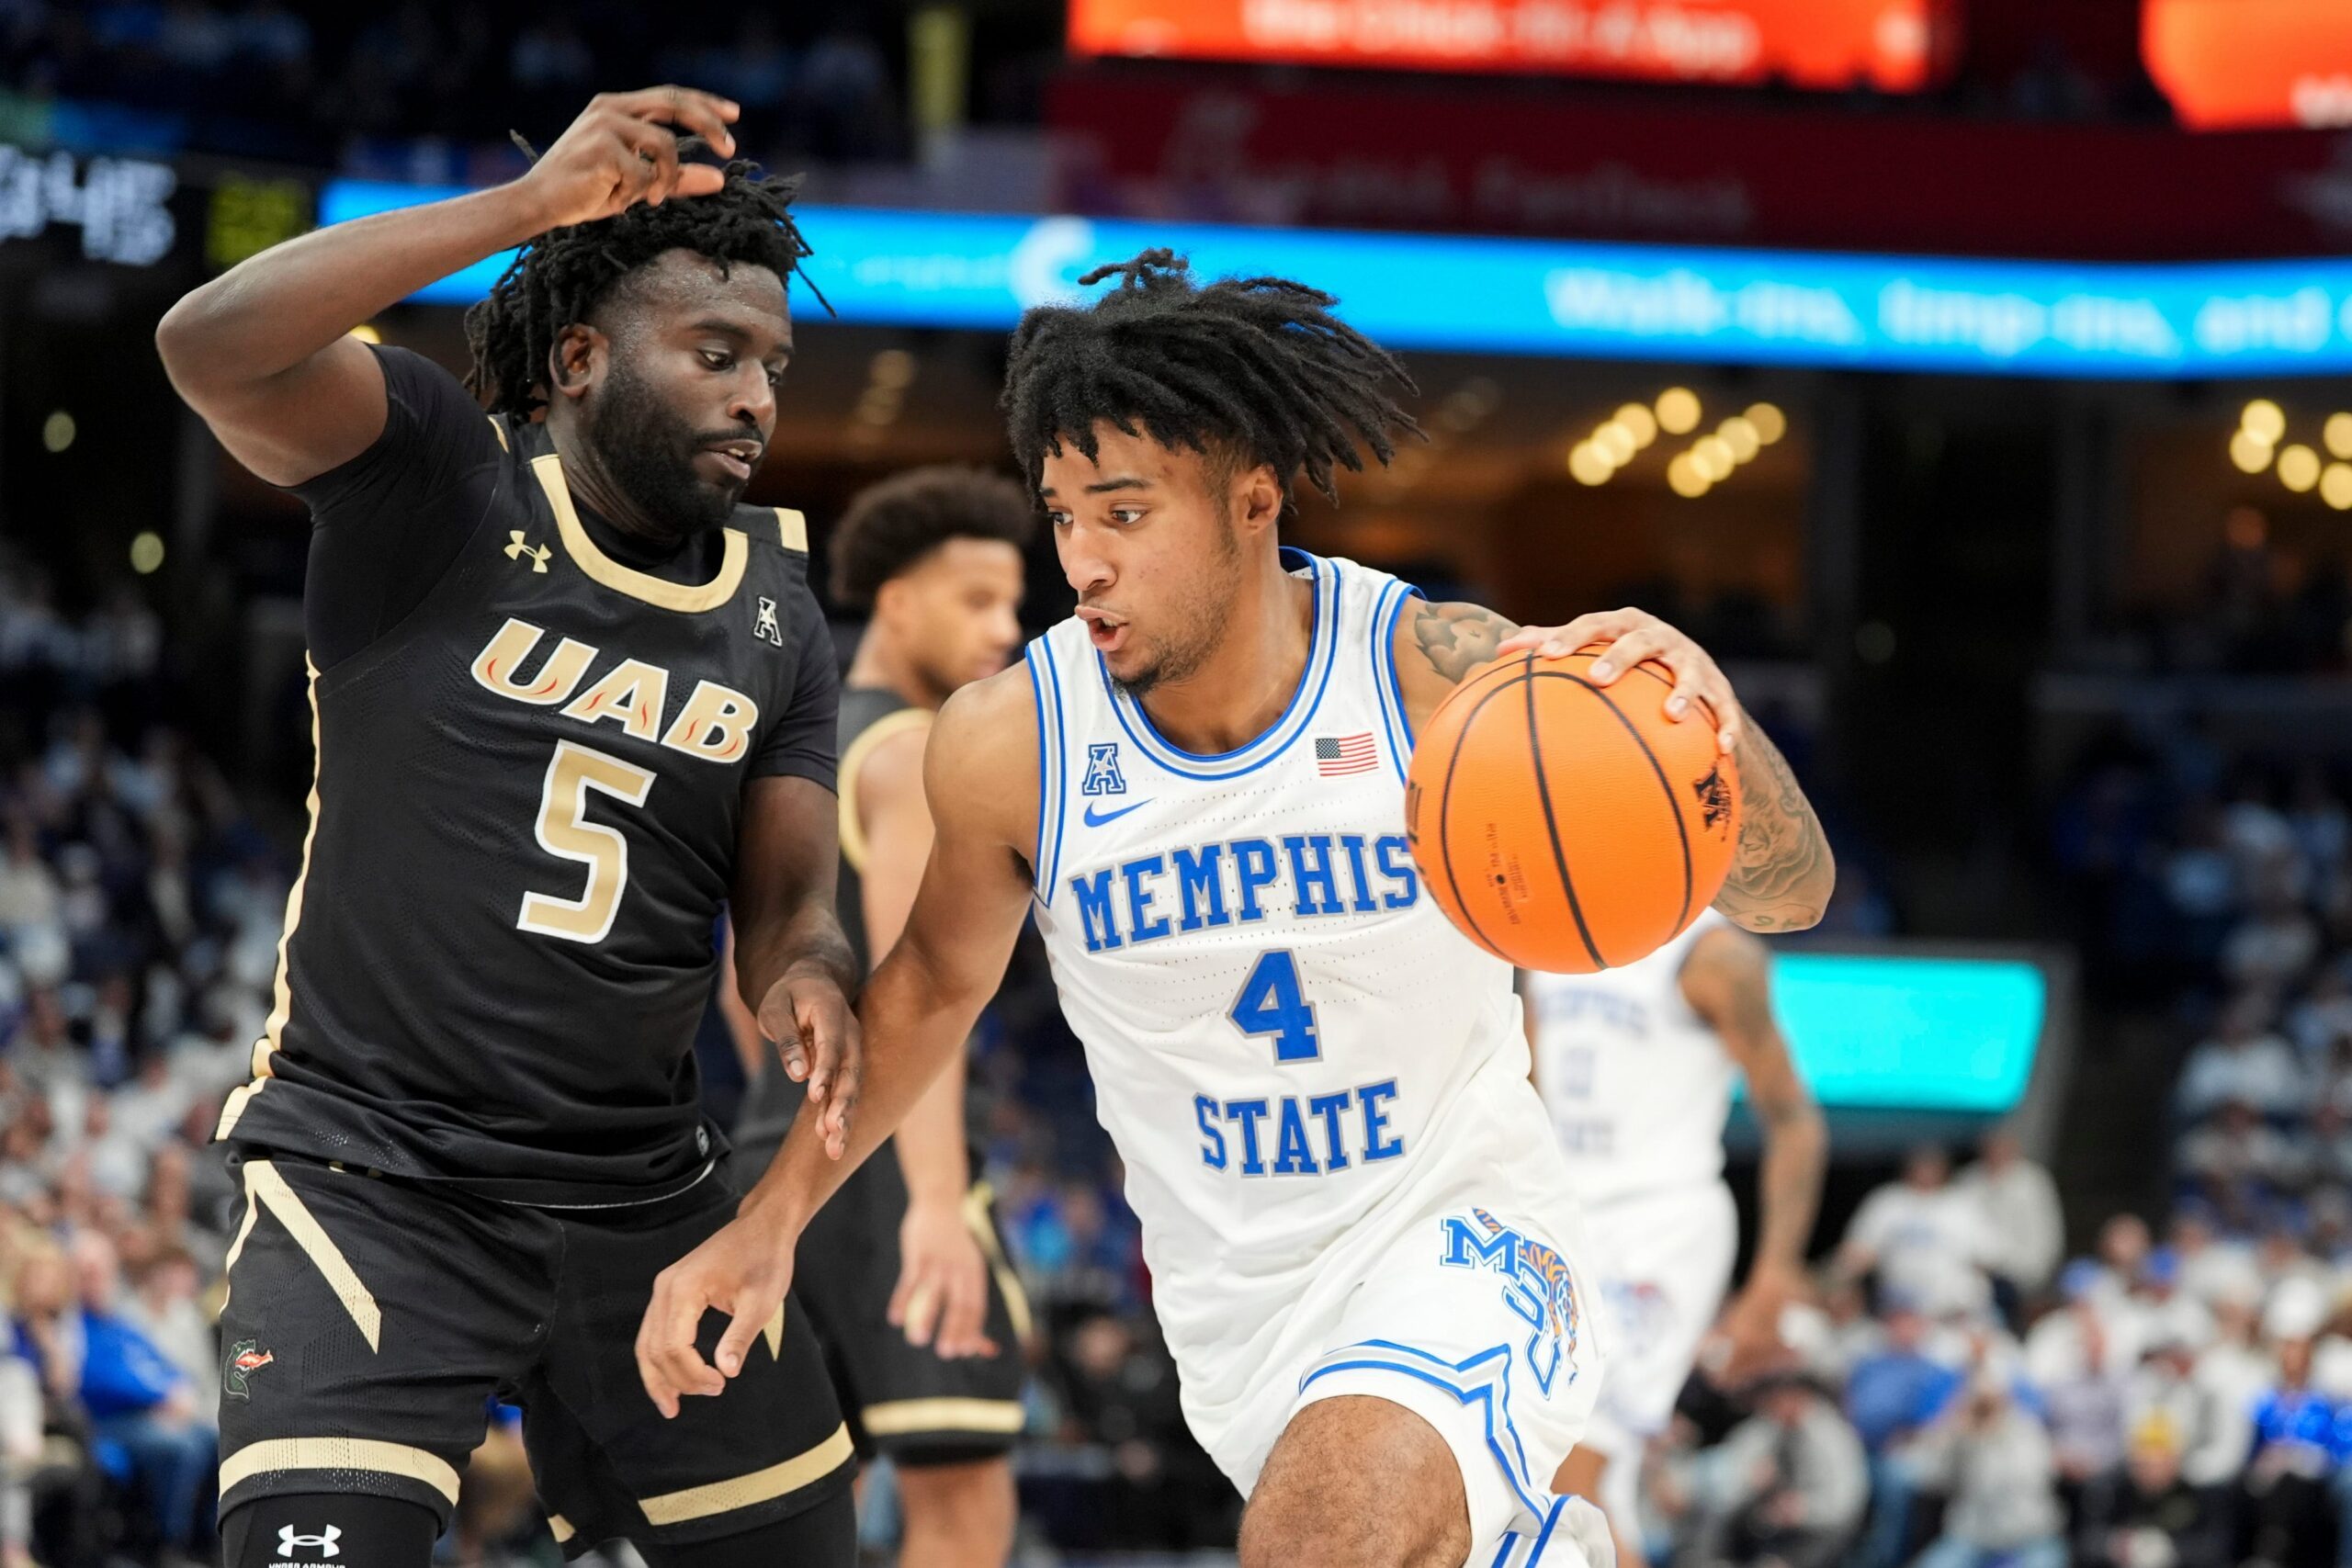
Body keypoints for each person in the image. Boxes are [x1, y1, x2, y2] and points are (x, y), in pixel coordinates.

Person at [640, 252, 1838, 1568]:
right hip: (1240, 1328)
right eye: (1063, 517)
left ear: (1252, 499)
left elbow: (1790, 887)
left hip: (1470, 1235)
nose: (1083, 561)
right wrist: (767, 1225)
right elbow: (925, 994)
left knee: (1327, 1534)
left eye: (1127, 512)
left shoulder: (1432, 675)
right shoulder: (1012, 746)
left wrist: (1696, 706)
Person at [156, 86, 868, 1568]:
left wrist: (808, 973)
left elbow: (791, 900)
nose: (757, 398)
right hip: (380, 1176)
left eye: (774, 366)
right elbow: (208, 344)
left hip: (650, 1197)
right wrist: (528, 210)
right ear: (581, 357)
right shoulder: (440, 475)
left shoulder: (781, 608)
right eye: (716, 354)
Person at [724, 468, 1035, 1568]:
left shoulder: (794, 748)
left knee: (812, 1504)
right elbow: (927, 991)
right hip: (896, 1170)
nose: (1006, 627)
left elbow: (741, 981)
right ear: (897, 603)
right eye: (977, 600)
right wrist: (938, 1205)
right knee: (959, 1499)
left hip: (779, 1160)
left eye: (1014, 602)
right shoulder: (915, 751)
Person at [1525, 912, 1826, 1561]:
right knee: (1539, 1477)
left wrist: (1772, 1279)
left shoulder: (1713, 953)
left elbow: (1795, 1120)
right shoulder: (1543, 927)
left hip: (1660, 1229)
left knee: (1575, 1476)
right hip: (1564, 1218)